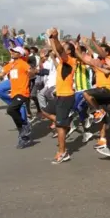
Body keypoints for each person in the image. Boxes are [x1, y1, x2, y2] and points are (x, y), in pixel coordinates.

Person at [42, 29, 77, 164]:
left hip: (66, 96)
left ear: (68, 51)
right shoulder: (63, 62)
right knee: (43, 111)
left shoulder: (71, 60)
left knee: (59, 126)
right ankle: (63, 121)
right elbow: (56, 51)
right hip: (59, 96)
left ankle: (63, 152)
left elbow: (59, 50)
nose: (61, 47)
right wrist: (51, 37)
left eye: (64, 46)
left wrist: (56, 38)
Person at [0, 46, 34, 148]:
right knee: (14, 112)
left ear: (20, 54)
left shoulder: (23, 64)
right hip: (14, 93)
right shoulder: (11, 64)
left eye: (15, 51)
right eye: (12, 51)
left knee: (10, 110)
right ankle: (23, 134)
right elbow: (2, 73)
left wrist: (31, 72)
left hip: (22, 93)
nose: (12, 52)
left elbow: (30, 70)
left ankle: (25, 126)